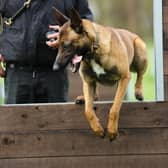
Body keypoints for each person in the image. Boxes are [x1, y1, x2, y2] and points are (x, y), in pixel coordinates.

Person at [0, 0, 93, 104]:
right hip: (16, 73)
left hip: (54, 73)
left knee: (55, 119)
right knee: (14, 119)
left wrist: (67, 35)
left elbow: (87, 26)